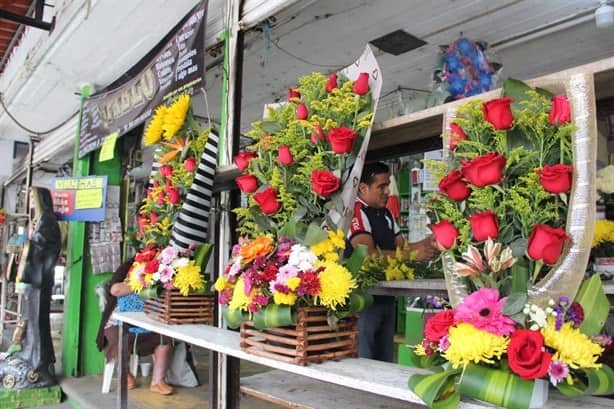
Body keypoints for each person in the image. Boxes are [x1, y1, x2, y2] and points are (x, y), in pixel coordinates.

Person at [345, 162, 437, 362]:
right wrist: (412, 255)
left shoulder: (386, 214)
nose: (388, 191)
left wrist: (430, 241)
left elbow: (402, 248)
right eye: (382, 186)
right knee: (364, 357)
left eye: (388, 185)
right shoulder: (356, 212)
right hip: (364, 299)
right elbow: (367, 255)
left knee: (384, 356)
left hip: (388, 295)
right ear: (363, 188)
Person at [0, 187, 61, 389]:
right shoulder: (41, 221)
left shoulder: (48, 221)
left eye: (35, 201)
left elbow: (44, 246)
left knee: (37, 319)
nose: (33, 205)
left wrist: (26, 245)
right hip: (35, 280)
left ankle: (39, 358)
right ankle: (32, 351)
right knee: (31, 317)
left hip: (40, 280)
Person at [96, 260, 174, 395]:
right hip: (119, 320)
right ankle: (125, 374)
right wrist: (140, 283)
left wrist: (155, 283)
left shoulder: (162, 269)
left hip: (148, 319)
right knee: (117, 336)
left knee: (164, 338)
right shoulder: (128, 265)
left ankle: (157, 381)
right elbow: (115, 290)